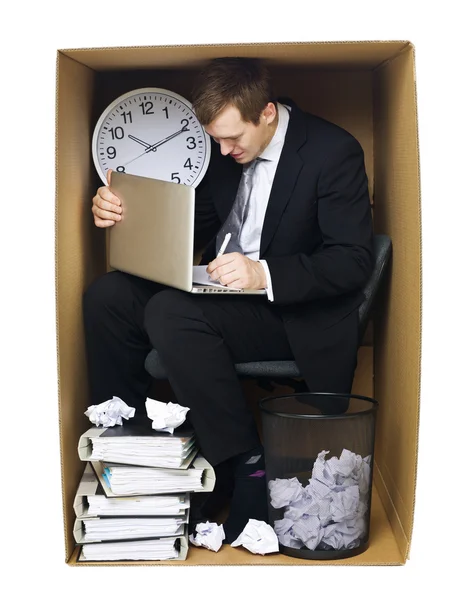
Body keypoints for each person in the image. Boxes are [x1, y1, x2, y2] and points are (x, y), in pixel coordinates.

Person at [84, 57, 374, 543]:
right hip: (218, 295)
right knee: (108, 296)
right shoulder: (223, 153)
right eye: (214, 138)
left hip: (290, 310)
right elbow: (192, 228)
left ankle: (246, 466)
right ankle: (137, 456)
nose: (222, 150)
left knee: (169, 312)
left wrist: (263, 272)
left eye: (232, 138)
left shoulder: (333, 150)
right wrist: (121, 216)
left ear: (265, 112)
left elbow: (352, 261)